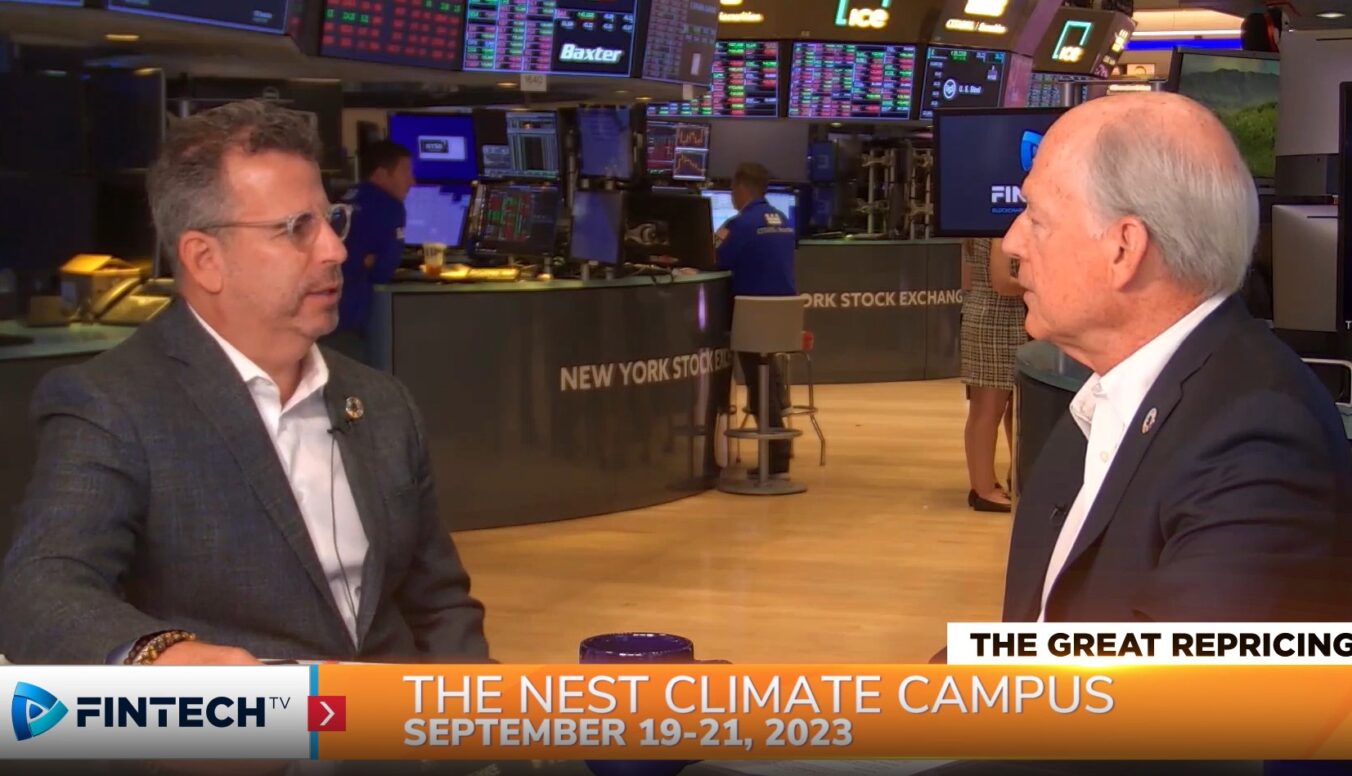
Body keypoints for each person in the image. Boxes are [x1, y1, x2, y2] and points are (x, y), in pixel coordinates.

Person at [0, 101, 489, 664]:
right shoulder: (113, 405)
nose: (335, 250)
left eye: (331, 221)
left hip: (395, 715)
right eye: (296, 228)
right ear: (204, 259)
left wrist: (470, 709)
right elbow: (42, 589)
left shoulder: (382, 401)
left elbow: (439, 605)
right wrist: (157, 657)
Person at [1001, 92, 1352, 623]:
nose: (1012, 242)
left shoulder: (1257, 443)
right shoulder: (1105, 405)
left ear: (1124, 248)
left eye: (1037, 218)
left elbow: (1177, 675)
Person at [715, 162, 798, 478]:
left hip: (752, 319)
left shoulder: (739, 225)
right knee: (768, 373)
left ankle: (775, 458)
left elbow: (714, 259)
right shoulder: (784, 221)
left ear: (740, 187)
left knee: (756, 381)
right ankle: (780, 448)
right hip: (784, 320)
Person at [326, 139, 415, 364]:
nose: (411, 181)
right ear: (381, 173)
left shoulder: (345, 196)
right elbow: (382, 271)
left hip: (323, 314)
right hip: (349, 320)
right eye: (405, 172)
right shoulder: (389, 207)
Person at [960, 237, 1027, 513]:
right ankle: (984, 489)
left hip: (994, 317)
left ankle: (994, 480)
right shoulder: (998, 234)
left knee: (1004, 410)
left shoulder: (974, 232)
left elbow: (968, 279)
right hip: (995, 321)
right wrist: (1038, 284)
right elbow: (1002, 282)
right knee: (988, 411)